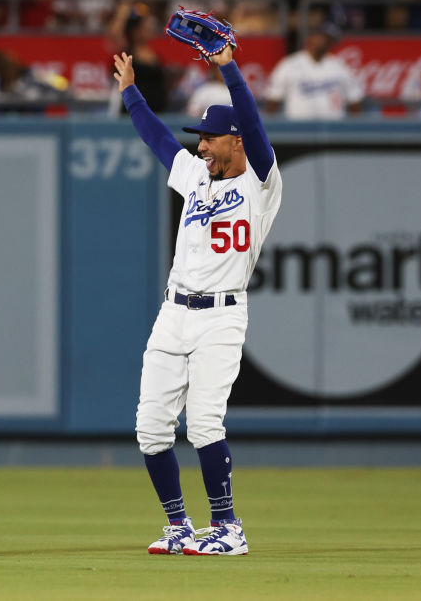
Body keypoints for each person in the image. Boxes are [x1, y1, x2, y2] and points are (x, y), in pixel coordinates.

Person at [112, 37, 282, 556]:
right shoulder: (194, 176)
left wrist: (229, 69)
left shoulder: (260, 182)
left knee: (205, 422)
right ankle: (179, 526)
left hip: (222, 316)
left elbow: (253, 124)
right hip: (174, 311)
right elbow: (159, 140)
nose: (201, 145)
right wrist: (131, 95)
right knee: (150, 428)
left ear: (233, 141)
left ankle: (228, 529)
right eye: (201, 137)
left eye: (209, 137)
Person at [264, 22, 363, 119]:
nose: (326, 42)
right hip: (298, 129)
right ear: (310, 38)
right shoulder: (289, 64)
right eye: (323, 37)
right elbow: (273, 98)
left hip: (334, 129)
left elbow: (354, 99)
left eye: (330, 40)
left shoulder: (340, 67)